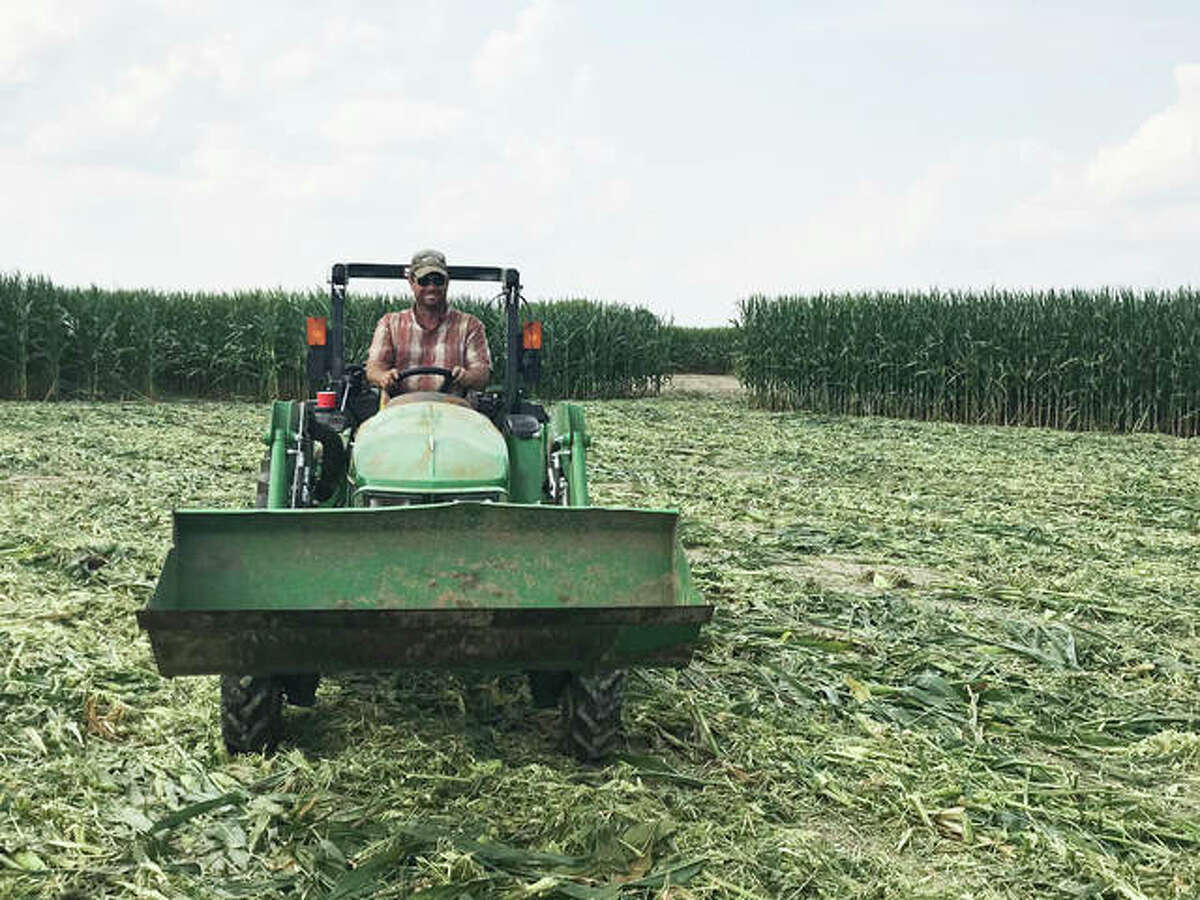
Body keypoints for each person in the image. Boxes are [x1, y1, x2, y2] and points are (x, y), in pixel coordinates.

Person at [365, 249, 492, 396]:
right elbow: (374, 368)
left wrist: (467, 377)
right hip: (401, 410)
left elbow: (482, 374)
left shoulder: (470, 325)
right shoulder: (390, 323)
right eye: (424, 281)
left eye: (437, 281)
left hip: (454, 410)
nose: (431, 288)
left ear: (447, 282)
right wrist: (383, 377)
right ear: (412, 282)